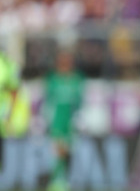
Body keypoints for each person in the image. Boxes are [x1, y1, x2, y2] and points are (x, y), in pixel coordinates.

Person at [43, 49, 85, 191]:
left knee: (68, 151)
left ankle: (65, 179)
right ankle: (56, 181)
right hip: (57, 120)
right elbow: (48, 100)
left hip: (70, 121)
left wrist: (79, 116)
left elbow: (80, 99)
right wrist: (45, 117)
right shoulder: (53, 78)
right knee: (57, 150)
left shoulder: (77, 78)